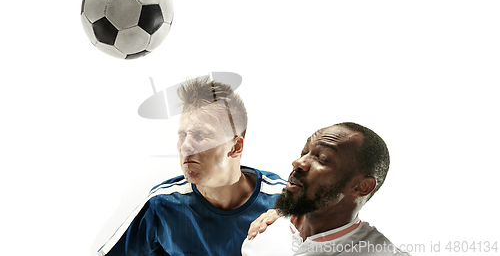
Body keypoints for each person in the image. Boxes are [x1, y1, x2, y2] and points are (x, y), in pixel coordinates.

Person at [98, 77, 286, 256]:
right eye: (182, 135)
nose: (186, 146)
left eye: (200, 135)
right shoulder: (163, 205)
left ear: (235, 147)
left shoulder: (284, 202)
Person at [242, 122, 410, 255]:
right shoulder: (263, 229)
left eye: (322, 159)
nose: (298, 163)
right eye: (304, 153)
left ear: (362, 186)